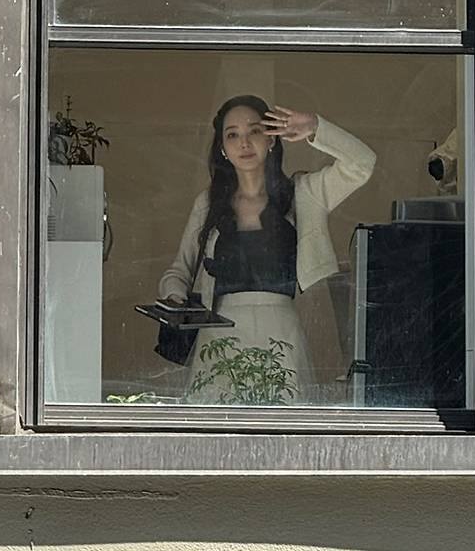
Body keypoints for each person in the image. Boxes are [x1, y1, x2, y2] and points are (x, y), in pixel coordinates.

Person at [158, 95, 376, 402]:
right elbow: (179, 271)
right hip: (219, 332)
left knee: (280, 417)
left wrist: (315, 127)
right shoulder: (208, 203)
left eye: (255, 131)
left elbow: (362, 164)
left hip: (281, 330)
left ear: (272, 138)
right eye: (232, 135)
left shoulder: (303, 194)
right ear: (223, 148)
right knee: (220, 422)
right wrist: (174, 299)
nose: (244, 143)